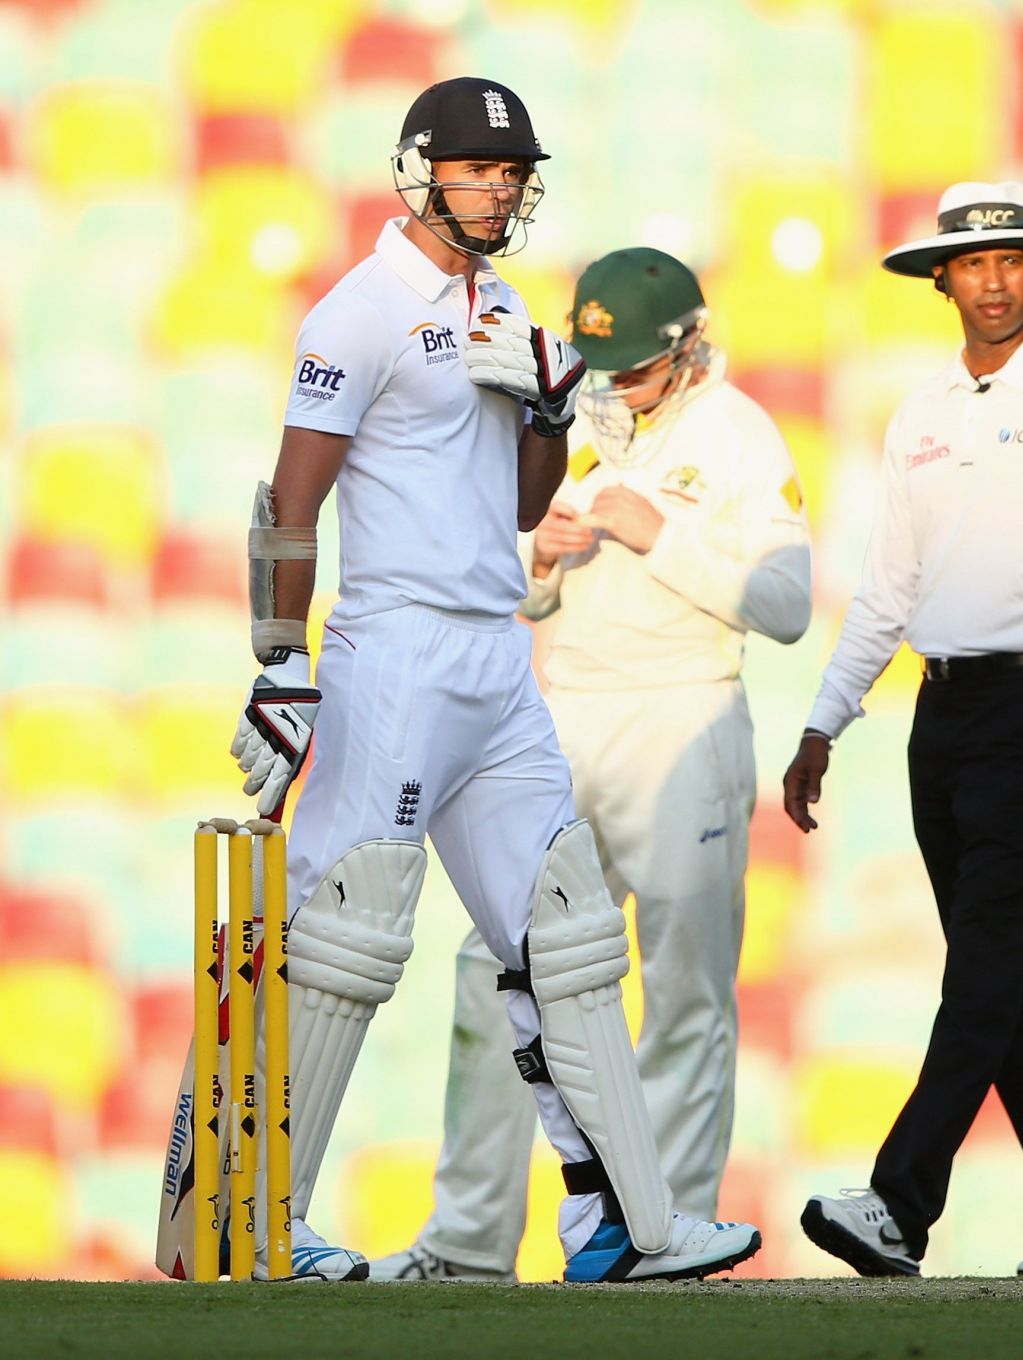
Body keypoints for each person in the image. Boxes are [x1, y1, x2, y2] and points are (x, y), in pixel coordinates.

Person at [207, 78, 759, 1283]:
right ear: (421, 171)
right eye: (477, 168)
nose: (501, 187)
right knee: (348, 930)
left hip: (495, 655)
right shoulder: (356, 315)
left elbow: (519, 504)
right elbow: (291, 501)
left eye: (512, 171)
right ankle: (262, 1222)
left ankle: (630, 1228)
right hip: (394, 648)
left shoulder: (505, 304)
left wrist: (554, 410)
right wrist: (281, 660)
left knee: (562, 934)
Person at [370, 248, 812, 1281]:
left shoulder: (738, 432)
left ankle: (665, 1234)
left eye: (629, 369)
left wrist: (658, 534)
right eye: (596, 364)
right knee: (495, 971)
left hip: (683, 722)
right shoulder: (565, 432)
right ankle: (469, 1241)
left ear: (689, 347)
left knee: (683, 985)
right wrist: (541, 561)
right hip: (562, 715)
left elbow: (787, 607)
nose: (608, 389)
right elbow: (516, 602)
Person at [786, 182, 1023, 1278]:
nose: (993, 280)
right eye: (973, 264)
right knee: (997, 974)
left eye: (1012, 262)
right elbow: (885, 592)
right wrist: (821, 723)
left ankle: (901, 1205)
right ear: (942, 278)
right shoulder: (919, 415)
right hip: (939, 711)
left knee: (987, 966)